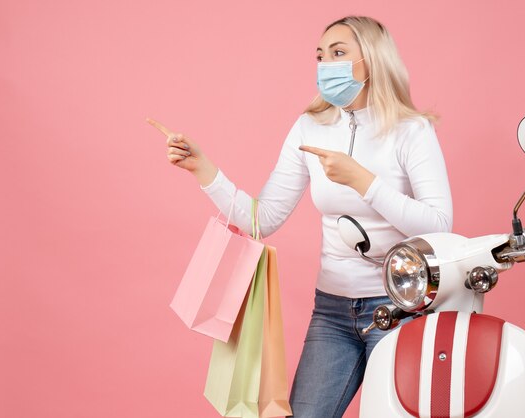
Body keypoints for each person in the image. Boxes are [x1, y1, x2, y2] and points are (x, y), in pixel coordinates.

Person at [163, 15, 452, 418]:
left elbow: (439, 225)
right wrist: (203, 170)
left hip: (401, 307)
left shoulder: (411, 131)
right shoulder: (309, 128)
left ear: (370, 61)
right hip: (333, 311)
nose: (325, 64)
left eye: (338, 53)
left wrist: (363, 181)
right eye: (320, 56)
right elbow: (261, 219)